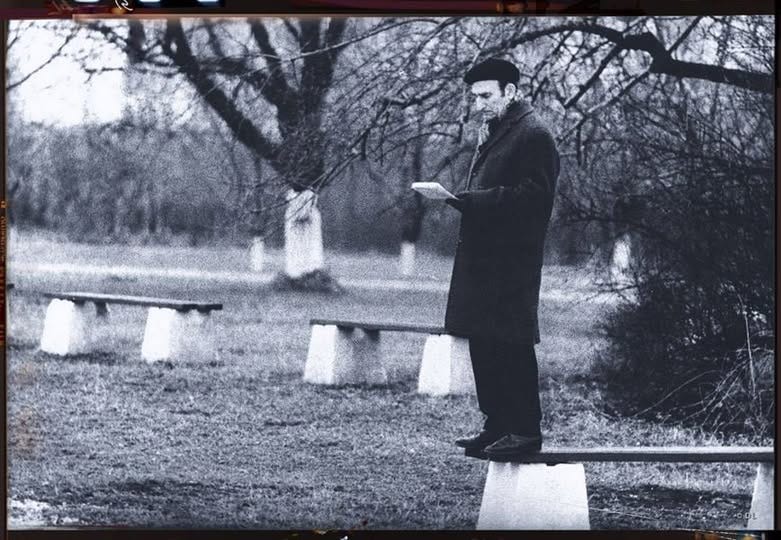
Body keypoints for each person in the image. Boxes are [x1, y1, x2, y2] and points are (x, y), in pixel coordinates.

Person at [444, 57, 560, 460]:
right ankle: (497, 424)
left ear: (511, 91)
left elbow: (536, 197)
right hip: (486, 258)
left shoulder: (533, 133)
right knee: (483, 341)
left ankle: (525, 430)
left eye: (486, 96)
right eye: (475, 97)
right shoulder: (497, 130)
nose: (479, 104)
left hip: (512, 261)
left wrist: (476, 202)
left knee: (511, 342)